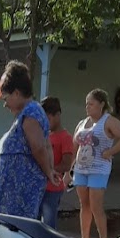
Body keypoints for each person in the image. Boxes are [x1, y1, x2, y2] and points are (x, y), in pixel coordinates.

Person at [0, 61, 61, 238]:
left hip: (23, 187)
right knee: (21, 228)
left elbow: (39, 147)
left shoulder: (31, 112)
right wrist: (49, 170)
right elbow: (45, 145)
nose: (5, 105)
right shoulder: (30, 112)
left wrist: (49, 171)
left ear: (16, 92)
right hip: (19, 186)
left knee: (22, 227)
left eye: (6, 99)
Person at [71, 88, 120, 238]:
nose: (87, 107)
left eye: (91, 104)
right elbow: (74, 146)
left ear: (102, 104)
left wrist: (110, 151)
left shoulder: (109, 121)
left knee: (95, 206)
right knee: (84, 205)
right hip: (81, 169)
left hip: (99, 169)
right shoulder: (82, 123)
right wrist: (69, 169)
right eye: (86, 104)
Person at [39, 96, 74, 230]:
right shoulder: (44, 135)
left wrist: (48, 169)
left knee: (49, 225)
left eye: (48, 118)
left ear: (57, 115)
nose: (45, 123)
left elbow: (66, 165)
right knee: (34, 223)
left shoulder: (65, 138)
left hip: (53, 189)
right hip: (39, 187)